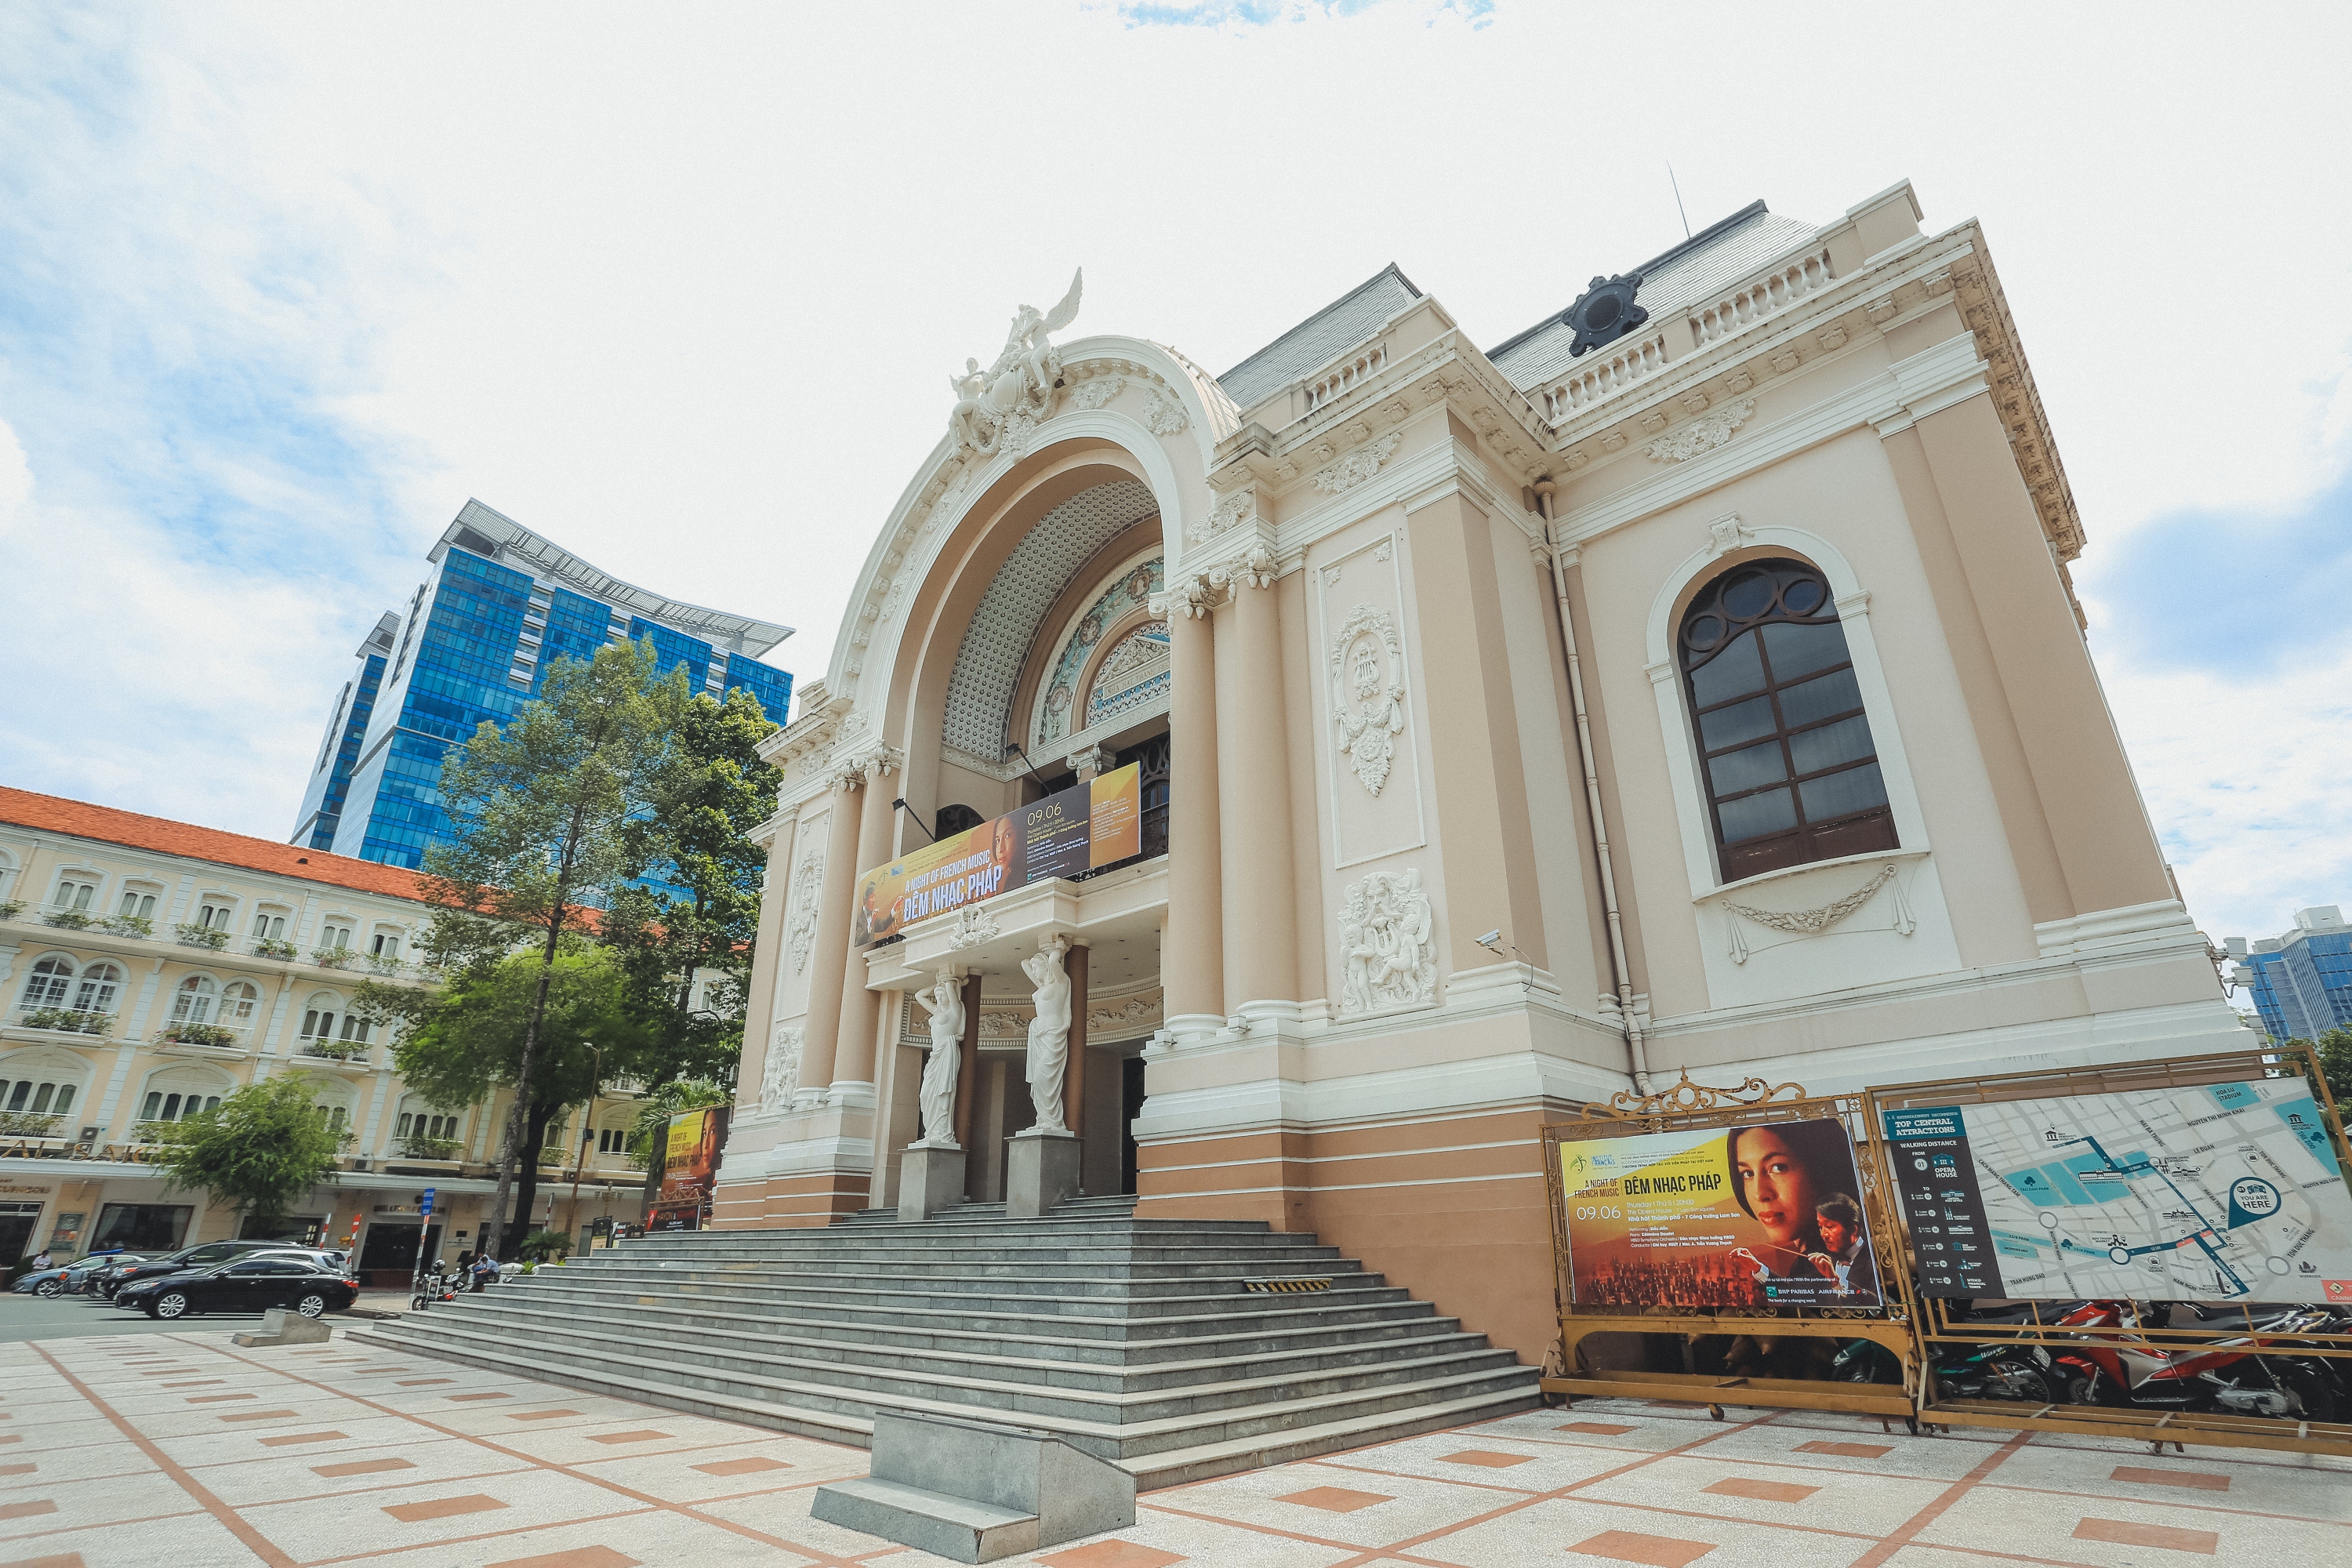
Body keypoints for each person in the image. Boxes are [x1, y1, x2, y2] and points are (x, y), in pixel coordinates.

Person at [1723, 1121, 1853, 1284]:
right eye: (1748, 1173)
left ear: (1821, 1168)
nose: (1759, 1194)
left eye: (1778, 1168)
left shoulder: (1831, 1260)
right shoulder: (1811, 1259)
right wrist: (1757, 1267)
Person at [1814, 1193, 1878, 1301]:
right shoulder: (1827, 1262)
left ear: (1853, 1229)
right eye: (1821, 1227)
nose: (1823, 1234)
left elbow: (1880, 1303)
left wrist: (1836, 1281)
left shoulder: (1875, 1258)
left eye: (1829, 1226)